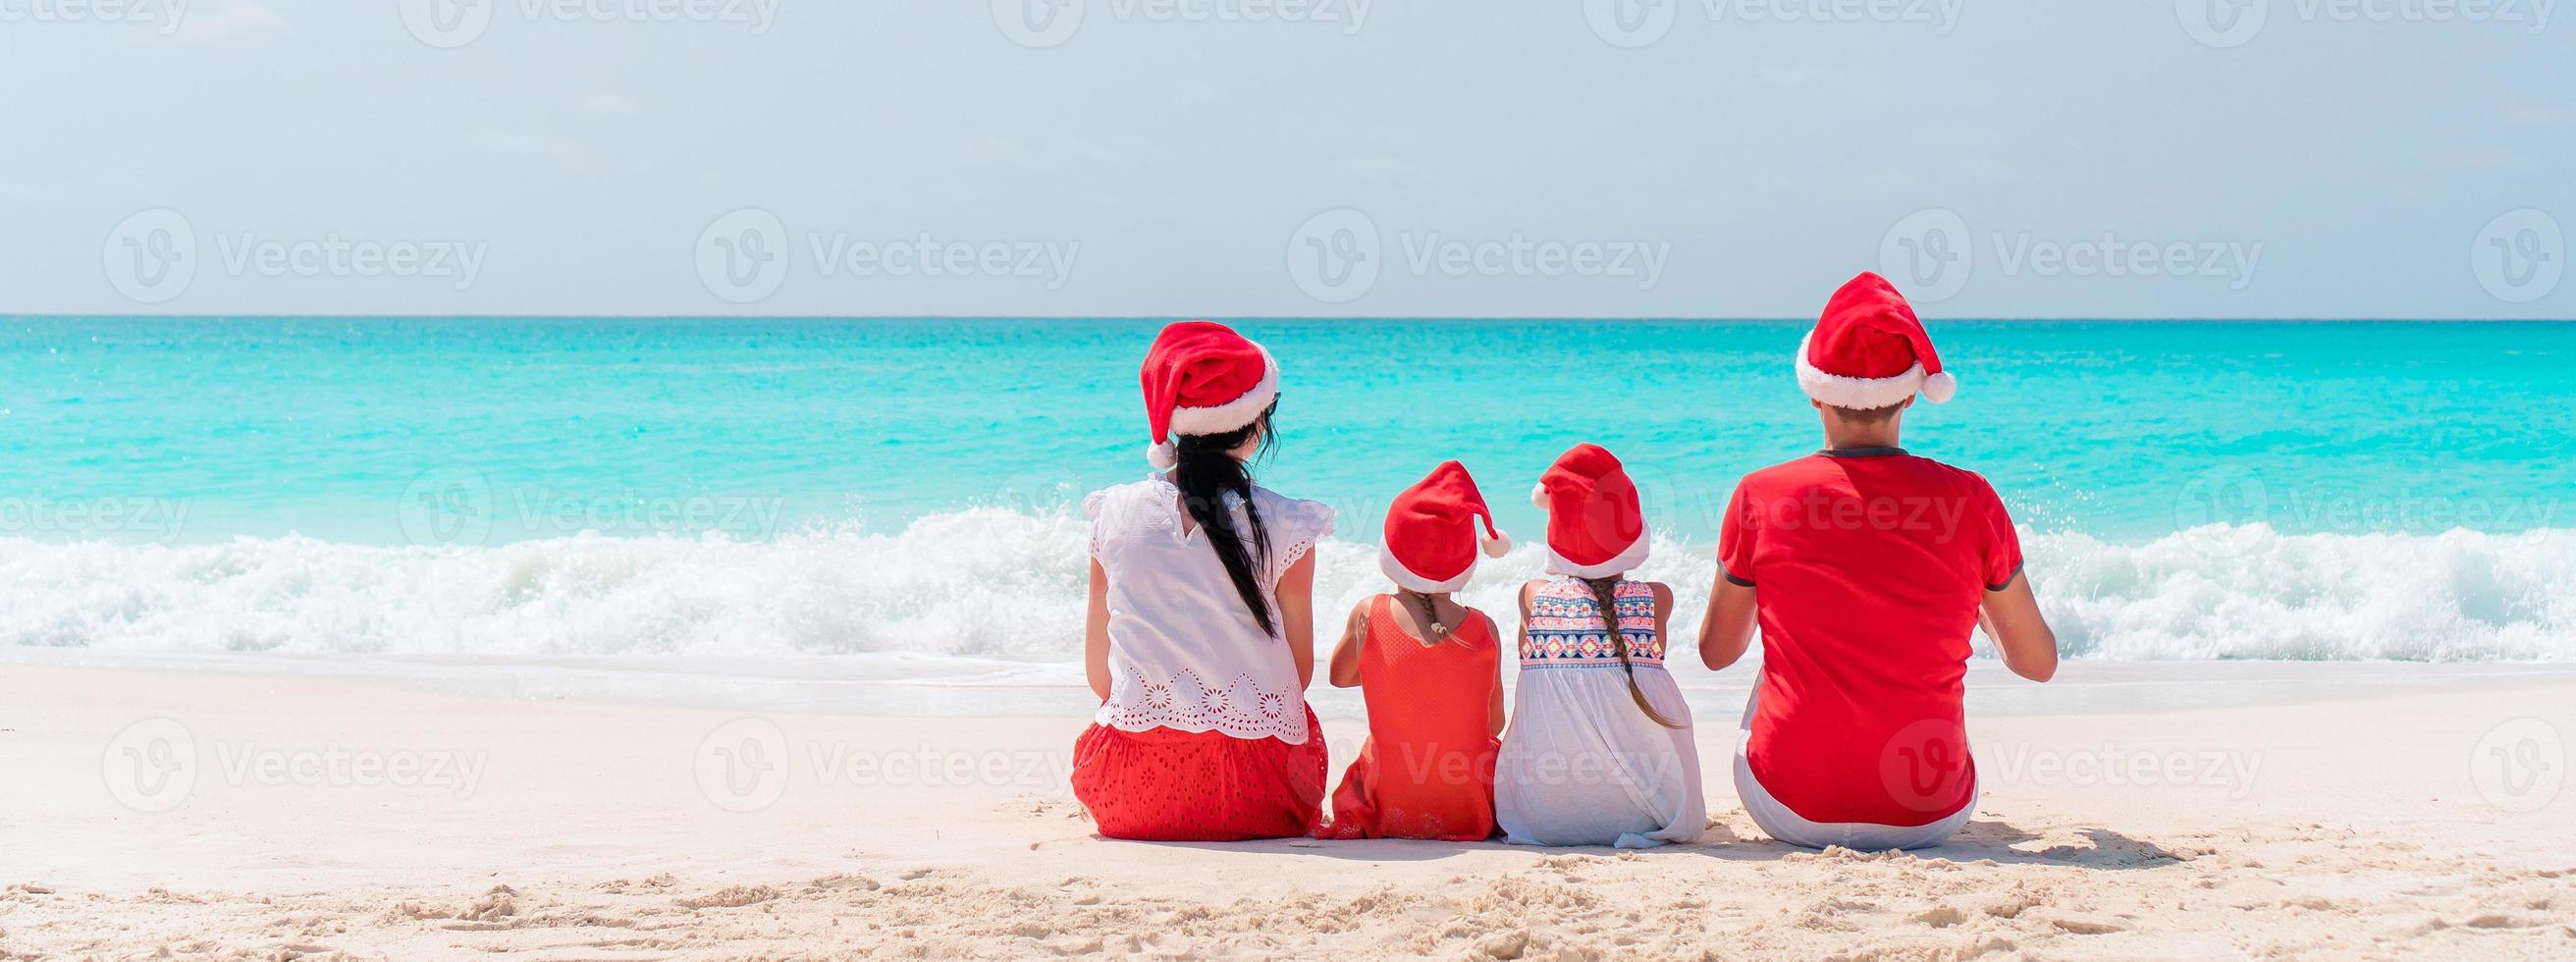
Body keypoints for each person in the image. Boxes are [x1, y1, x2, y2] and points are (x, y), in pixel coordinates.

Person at [1698, 272, 2059, 851]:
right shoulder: (1972, 498)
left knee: (1783, 659)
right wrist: (1975, 609)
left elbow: (1718, 653)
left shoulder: (1759, 495)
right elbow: (2037, 663)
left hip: (1789, 809)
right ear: (1911, 393)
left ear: (1813, 391)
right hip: (1930, 812)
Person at [1072, 321, 1337, 841]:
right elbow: (1298, 673)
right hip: (1257, 796)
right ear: (1256, 425)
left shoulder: (1115, 513)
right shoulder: (1286, 523)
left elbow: (1100, 677)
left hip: (1129, 796)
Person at [1494, 444, 1706, 848]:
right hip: (1649, 815)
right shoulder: (1657, 597)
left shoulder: (1533, 595)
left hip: (1543, 817)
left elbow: (1528, 661)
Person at [1320, 461, 1511, 841]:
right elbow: (1493, 724)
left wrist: (1388, 666)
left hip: (1389, 802)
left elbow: (1338, 678)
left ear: (1391, 553)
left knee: (1372, 755)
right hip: (1469, 808)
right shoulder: (1484, 628)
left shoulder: (1368, 613)